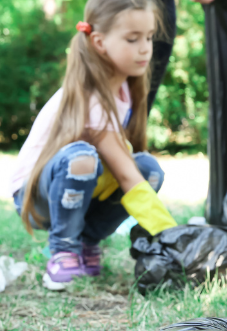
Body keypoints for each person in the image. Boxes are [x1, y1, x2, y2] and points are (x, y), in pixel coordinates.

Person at [10, 0, 178, 291]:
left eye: (149, 37)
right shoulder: (92, 96)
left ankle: (86, 242)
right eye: (132, 39)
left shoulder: (125, 87)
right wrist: (172, 236)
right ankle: (63, 249)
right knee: (82, 158)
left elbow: (130, 167)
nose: (145, 48)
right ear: (99, 42)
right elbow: (125, 174)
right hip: (38, 195)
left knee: (149, 170)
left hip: (78, 188)